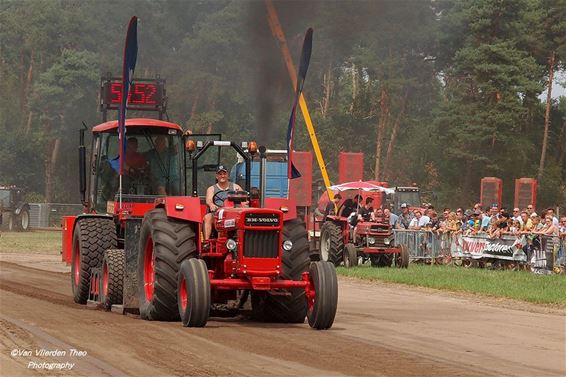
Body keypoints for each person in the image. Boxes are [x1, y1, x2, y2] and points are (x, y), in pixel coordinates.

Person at [203, 165, 244, 241]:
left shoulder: (235, 187)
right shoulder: (212, 189)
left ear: (227, 175)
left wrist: (244, 205)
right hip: (217, 213)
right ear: (216, 176)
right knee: (207, 217)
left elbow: (243, 200)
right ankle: (206, 242)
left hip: (232, 213)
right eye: (220, 174)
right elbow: (209, 200)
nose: (222, 176)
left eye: (224, 174)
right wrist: (212, 205)